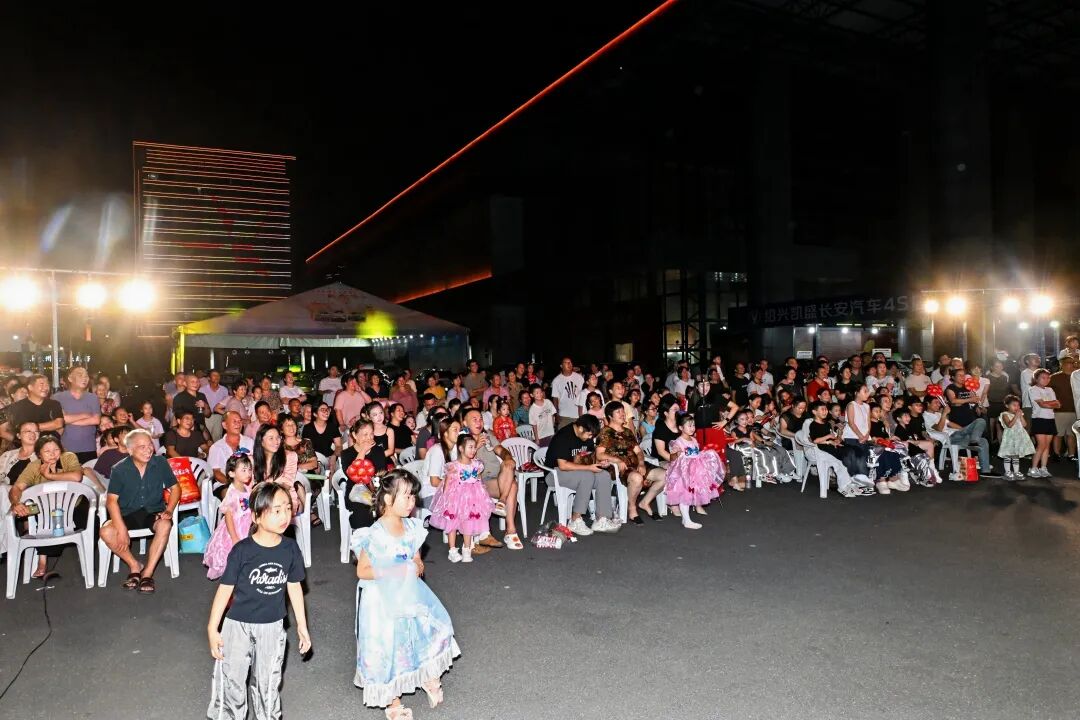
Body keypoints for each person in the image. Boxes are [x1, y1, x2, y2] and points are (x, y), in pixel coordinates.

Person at [351, 470, 459, 717]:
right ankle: (392, 700)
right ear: (388, 499)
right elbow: (362, 570)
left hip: (408, 592)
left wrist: (417, 563)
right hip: (381, 601)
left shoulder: (411, 526)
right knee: (389, 647)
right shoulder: (376, 533)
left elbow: (415, 555)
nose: (413, 502)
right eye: (407, 497)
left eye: (413, 497)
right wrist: (395, 570)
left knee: (421, 632)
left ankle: (426, 675)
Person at [206, 482, 311, 720]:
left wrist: (302, 626)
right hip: (237, 625)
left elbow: (294, 586)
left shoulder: (290, 549)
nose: (284, 515)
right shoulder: (242, 551)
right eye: (276, 510)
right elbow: (224, 589)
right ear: (256, 516)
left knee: (268, 681)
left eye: (287, 508)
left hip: (272, 626)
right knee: (231, 680)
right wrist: (213, 628)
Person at [8, 435, 102, 578]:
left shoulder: (68, 457)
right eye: (47, 451)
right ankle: (42, 561)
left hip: (74, 505)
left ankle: (86, 554)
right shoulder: (34, 466)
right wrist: (16, 503)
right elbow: (17, 488)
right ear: (39, 454)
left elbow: (77, 477)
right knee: (38, 515)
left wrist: (50, 476)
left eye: (56, 450)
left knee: (94, 520)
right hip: (45, 509)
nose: (52, 454)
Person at [99, 429, 180, 593]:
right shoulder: (119, 469)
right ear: (130, 450)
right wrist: (121, 529)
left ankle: (147, 573)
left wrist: (170, 510)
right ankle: (134, 565)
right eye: (142, 447)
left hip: (153, 511)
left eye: (149, 445)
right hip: (127, 513)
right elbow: (111, 501)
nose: (148, 450)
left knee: (165, 525)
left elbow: (176, 488)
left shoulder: (160, 462)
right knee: (106, 532)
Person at [544, 414, 619, 535]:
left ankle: (601, 519)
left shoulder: (587, 435)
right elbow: (563, 465)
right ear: (580, 428)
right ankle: (575, 520)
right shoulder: (563, 436)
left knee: (604, 475)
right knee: (587, 476)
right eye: (589, 435)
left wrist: (600, 463)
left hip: (576, 472)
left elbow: (590, 457)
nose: (590, 438)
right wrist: (588, 468)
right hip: (554, 473)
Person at [429, 434, 492, 563]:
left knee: (469, 522)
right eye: (470, 447)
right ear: (461, 448)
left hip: (472, 499)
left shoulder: (477, 464)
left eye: (474, 447)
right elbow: (447, 483)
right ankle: (452, 550)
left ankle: (467, 549)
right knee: (452, 523)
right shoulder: (454, 466)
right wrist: (447, 499)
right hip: (456, 499)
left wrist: (482, 493)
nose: (473, 450)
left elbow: (479, 480)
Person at [662, 414, 723, 529]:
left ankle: (689, 515)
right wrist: (676, 453)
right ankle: (686, 520)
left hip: (696, 472)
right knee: (685, 494)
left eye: (693, 425)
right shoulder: (678, 442)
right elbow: (672, 458)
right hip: (684, 473)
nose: (692, 428)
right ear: (681, 428)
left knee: (691, 493)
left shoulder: (694, 440)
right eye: (689, 426)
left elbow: (696, 454)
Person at [203, 453, 255, 579]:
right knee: (234, 552)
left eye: (249, 469)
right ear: (231, 473)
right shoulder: (232, 493)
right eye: (243, 470)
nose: (248, 473)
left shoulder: (246, 488)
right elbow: (228, 516)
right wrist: (234, 537)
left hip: (247, 525)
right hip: (235, 528)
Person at [943, 367, 998, 479]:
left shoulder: (967, 388)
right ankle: (974, 441)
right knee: (981, 421)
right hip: (956, 432)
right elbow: (953, 402)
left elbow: (974, 404)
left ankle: (985, 470)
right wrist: (969, 399)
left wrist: (978, 407)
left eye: (964, 375)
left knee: (984, 440)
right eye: (960, 375)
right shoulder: (950, 388)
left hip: (968, 429)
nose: (963, 377)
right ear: (953, 377)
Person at [53, 366, 101, 462]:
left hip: (88, 447)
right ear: (70, 378)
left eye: (86, 376)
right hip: (65, 447)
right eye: (80, 375)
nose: (85, 378)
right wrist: (85, 415)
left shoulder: (93, 398)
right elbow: (60, 420)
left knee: (88, 471)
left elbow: (96, 420)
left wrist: (68, 420)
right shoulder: (57, 397)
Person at [253, 424, 303, 516]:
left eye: (278, 437)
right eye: (271, 438)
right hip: (260, 500)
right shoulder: (253, 460)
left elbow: (286, 484)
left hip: (284, 499)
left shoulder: (289, 456)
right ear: (261, 442)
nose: (276, 442)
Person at [0, 374, 64, 444]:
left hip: (47, 446)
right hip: (24, 446)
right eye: (42, 384)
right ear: (30, 387)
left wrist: (29, 428)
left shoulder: (54, 404)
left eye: (47, 385)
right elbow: (3, 431)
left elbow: (59, 424)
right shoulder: (15, 407)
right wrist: (19, 442)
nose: (46, 387)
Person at [208, 411, 255, 492]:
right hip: (225, 484)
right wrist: (234, 485)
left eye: (239, 421)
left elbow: (256, 465)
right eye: (234, 421)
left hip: (249, 482)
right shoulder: (216, 447)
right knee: (230, 494)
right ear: (224, 425)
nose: (238, 424)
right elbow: (216, 472)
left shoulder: (250, 442)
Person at [1028, 368, 1059, 478]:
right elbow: (1042, 405)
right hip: (1039, 419)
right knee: (1041, 445)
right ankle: (1033, 468)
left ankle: (1043, 468)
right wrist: (1051, 403)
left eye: (1048, 377)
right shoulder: (1033, 389)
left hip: (1050, 419)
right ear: (1036, 379)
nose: (1046, 380)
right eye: (1043, 378)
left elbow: (1058, 404)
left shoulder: (1050, 389)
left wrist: (1048, 403)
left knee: (1047, 446)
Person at [998, 394, 1035, 481]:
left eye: (1018, 405)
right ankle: (1007, 472)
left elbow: (1024, 424)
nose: (1017, 407)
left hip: (1018, 438)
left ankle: (1016, 472)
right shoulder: (1004, 414)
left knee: (1016, 456)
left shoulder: (1019, 414)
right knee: (1008, 455)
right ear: (1007, 406)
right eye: (1014, 405)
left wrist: (1020, 416)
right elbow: (1009, 425)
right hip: (1009, 439)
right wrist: (1016, 416)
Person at [1048, 357, 1077, 461]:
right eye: (1069, 362)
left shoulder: (1077, 376)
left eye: (1074, 362)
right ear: (1062, 364)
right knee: (1058, 434)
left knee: (1071, 434)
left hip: (1075, 410)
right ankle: (1056, 454)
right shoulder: (1054, 377)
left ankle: (1071, 455)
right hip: (1059, 411)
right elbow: (1044, 389)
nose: (1073, 364)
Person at [549, 357, 584, 430]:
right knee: (564, 435)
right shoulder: (556, 380)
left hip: (578, 414)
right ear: (561, 366)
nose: (569, 364)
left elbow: (583, 394)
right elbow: (555, 398)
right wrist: (556, 414)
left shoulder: (579, 377)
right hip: (564, 415)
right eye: (566, 363)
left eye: (570, 362)